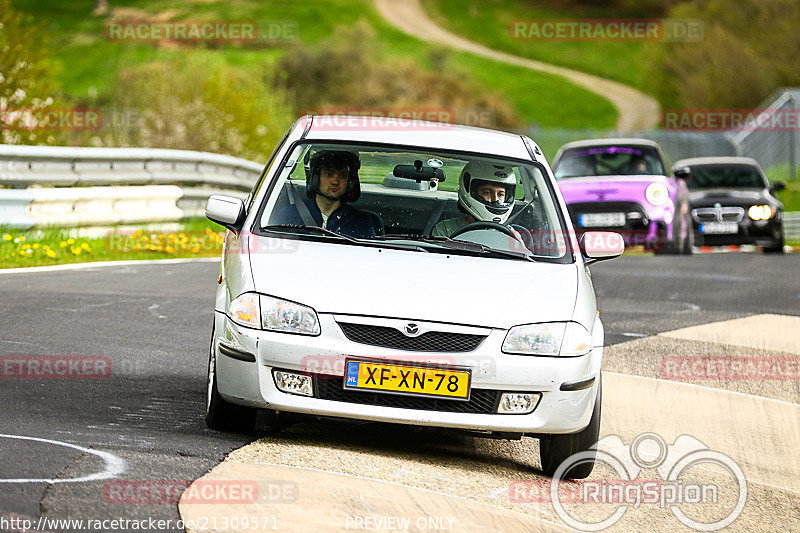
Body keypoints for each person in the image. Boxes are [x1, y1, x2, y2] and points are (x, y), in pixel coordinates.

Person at [273, 150, 376, 239]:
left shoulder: (361, 222)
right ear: (316, 179)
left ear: (350, 182)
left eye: (343, 176)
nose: (335, 181)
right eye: (329, 174)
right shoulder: (290, 215)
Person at [432, 161, 518, 237]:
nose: (495, 199)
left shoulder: (511, 234)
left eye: (500, 194)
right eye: (487, 193)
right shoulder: (445, 229)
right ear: (470, 191)